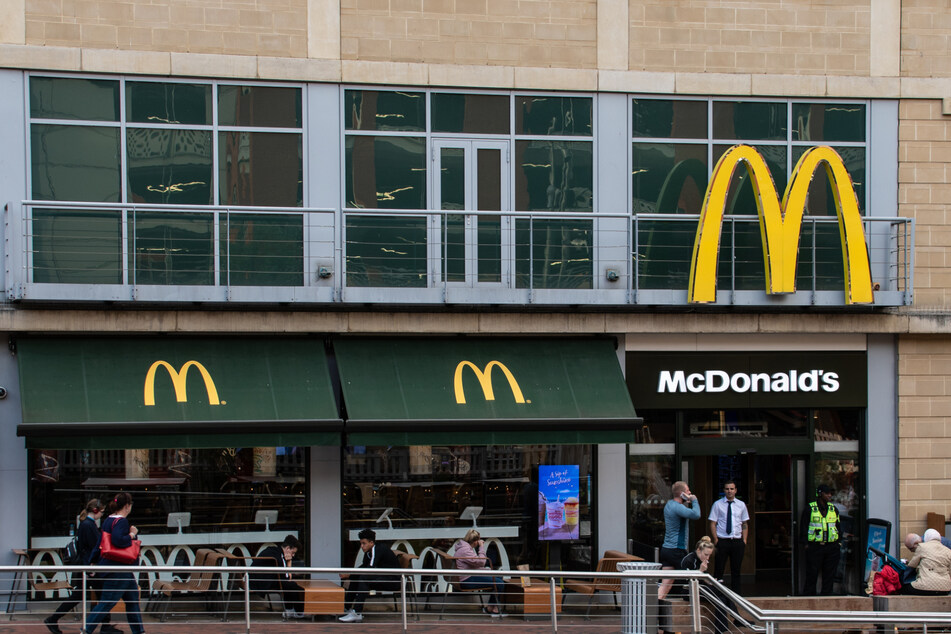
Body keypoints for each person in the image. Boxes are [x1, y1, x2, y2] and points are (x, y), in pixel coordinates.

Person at [45, 499, 120, 634]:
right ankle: (104, 625)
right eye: (102, 512)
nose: (102, 515)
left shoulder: (85, 524)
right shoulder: (88, 526)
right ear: (96, 511)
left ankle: (53, 619)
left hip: (86, 568)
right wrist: (92, 567)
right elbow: (94, 548)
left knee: (87, 595)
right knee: (100, 595)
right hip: (90, 569)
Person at [82, 492, 144, 634]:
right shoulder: (122, 521)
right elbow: (118, 540)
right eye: (131, 504)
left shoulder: (108, 520)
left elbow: (100, 543)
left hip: (117, 569)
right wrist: (132, 534)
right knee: (107, 602)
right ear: (127, 506)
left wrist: (93, 560)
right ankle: (86, 630)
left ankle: (140, 631)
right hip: (119, 569)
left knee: (132, 600)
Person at [339, 528, 401, 623]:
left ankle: (357, 612)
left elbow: (370, 568)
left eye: (364, 543)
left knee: (363, 578)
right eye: (361, 543)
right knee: (357, 576)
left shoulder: (378, 549)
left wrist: (349, 575)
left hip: (392, 581)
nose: (362, 546)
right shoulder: (368, 552)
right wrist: (350, 574)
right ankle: (347, 607)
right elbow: (364, 566)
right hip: (383, 578)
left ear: (371, 542)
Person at [677, 537, 734, 634]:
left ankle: (721, 629)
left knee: (722, 597)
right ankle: (736, 619)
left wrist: (711, 581)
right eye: (706, 555)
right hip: (688, 591)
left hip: (701, 588)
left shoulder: (701, 560)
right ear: (698, 550)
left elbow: (703, 579)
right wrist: (700, 571)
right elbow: (687, 580)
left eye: (709, 556)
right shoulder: (689, 560)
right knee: (723, 592)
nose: (707, 558)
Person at [658, 481, 700, 600]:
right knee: (693, 578)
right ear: (682, 494)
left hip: (667, 549)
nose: (690, 493)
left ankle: (652, 613)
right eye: (688, 491)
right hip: (677, 550)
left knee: (666, 585)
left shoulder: (669, 504)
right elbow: (696, 515)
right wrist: (694, 500)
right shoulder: (678, 507)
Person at [451, 529, 506, 617]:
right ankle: (494, 610)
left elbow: (474, 564)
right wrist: (481, 547)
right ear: (475, 541)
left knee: (499, 578)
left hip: (466, 577)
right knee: (499, 583)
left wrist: (486, 571)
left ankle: (491, 607)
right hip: (466, 580)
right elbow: (482, 562)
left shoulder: (464, 548)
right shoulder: (466, 550)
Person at [251, 534, 306, 619]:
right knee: (292, 585)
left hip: (258, 579)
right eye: (293, 552)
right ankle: (298, 612)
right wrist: (289, 561)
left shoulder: (274, 551)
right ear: (287, 548)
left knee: (291, 585)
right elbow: (287, 577)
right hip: (260, 582)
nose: (293, 555)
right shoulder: (279, 557)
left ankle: (290, 610)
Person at [708, 480, 749, 594]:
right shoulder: (717, 504)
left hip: (737, 541)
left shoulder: (741, 505)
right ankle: (717, 593)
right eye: (727, 489)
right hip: (722, 541)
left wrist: (744, 540)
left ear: (735, 490)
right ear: (724, 490)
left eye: (731, 489)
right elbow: (712, 522)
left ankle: (736, 595)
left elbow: (744, 523)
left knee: (736, 570)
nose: (729, 491)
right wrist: (716, 539)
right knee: (719, 568)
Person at [801, 483, 840, 595]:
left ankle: (827, 598)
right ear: (820, 494)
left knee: (829, 575)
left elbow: (838, 527)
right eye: (827, 493)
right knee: (812, 574)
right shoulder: (810, 509)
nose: (829, 496)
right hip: (815, 547)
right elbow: (804, 527)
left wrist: (838, 543)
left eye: (830, 493)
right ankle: (809, 598)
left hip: (831, 547)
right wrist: (806, 544)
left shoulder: (833, 509)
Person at [902, 528, 951, 595]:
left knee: (905, 589)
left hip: (925, 587)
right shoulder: (948, 550)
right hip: (946, 589)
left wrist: (904, 580)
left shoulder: (922, 547)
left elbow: (912, 566)